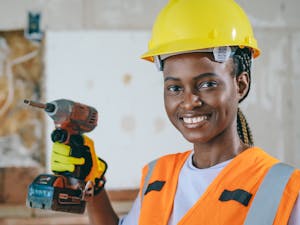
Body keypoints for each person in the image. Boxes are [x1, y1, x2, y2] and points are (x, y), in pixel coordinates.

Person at [51, 0, 300, 224]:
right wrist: (93, 182)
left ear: (240, 85)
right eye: (175, 87)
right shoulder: (158, 176)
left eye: (207, 84)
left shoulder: (283, 189)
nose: (189, 102)